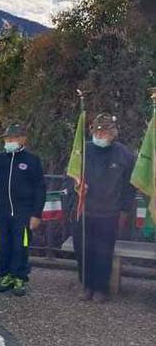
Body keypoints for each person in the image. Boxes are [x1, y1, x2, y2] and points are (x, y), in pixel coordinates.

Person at [72, 113, 135, 303]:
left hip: (109, 213)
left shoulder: (124, 154)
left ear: (113, 133)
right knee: (83, 251)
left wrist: (125, 210)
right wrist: (77, 188)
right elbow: (70, 176)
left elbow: (128, 187)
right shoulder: (82, 151)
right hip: (84, 210)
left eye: (104, 132)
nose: (100, 135)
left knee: (103, 252)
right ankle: (86, 285)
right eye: (97, 131)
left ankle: (101, 288)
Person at [0, 124, 46, 296]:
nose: (9, 141)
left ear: (22, 139)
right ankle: (5, 275)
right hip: (2, 212)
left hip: (23, 212)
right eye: (6, 138)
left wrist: (36, 214)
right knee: (4, 244)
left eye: (12, 138)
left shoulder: (32, 160)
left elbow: (40, 188)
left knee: (21, 245)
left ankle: (19, 277)